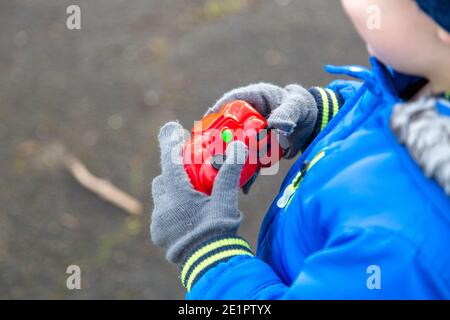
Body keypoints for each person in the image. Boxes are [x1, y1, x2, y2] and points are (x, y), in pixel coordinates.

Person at [150, 0, 450, 299]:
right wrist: (326, 114)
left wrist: (208, 256)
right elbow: (387, 117)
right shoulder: (428, 74)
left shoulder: (400, 247)